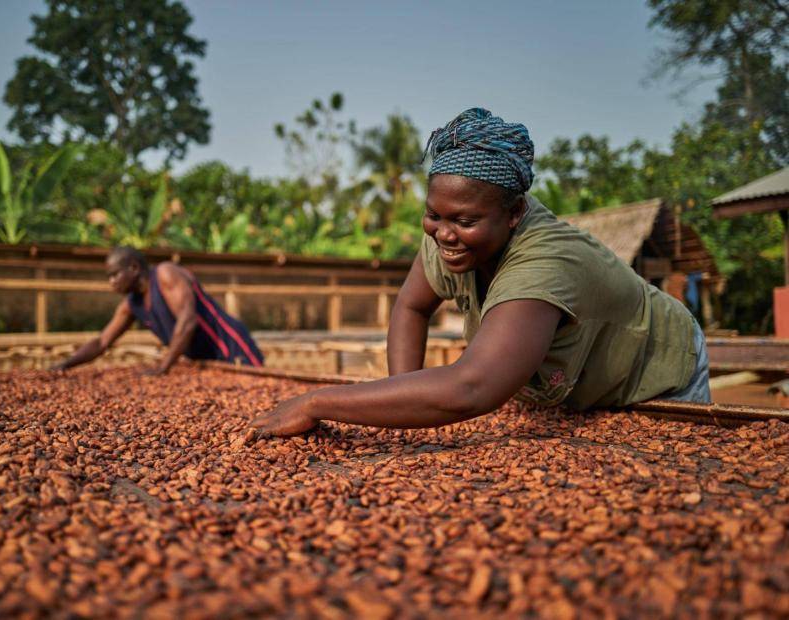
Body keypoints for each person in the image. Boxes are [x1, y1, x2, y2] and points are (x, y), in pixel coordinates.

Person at [250, 107, 710, 437]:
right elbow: (412, 307)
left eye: (464, 221)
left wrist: (317, 402)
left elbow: (473, 386)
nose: (444, 234)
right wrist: (398, 408)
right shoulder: (451, 234)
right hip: (574, 391)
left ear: (514, 214)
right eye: (434, 215)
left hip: (653, 373)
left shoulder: (546, 261)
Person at [53, 247, 264, 373]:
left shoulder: (165, 275)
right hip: (207, 360)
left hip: (231, 346)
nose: (112, 282)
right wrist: (64, 365)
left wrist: (163, 367)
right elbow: (101, 342)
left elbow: (188, 321)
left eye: (115, 274)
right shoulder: (131, 304)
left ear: (134, 268)